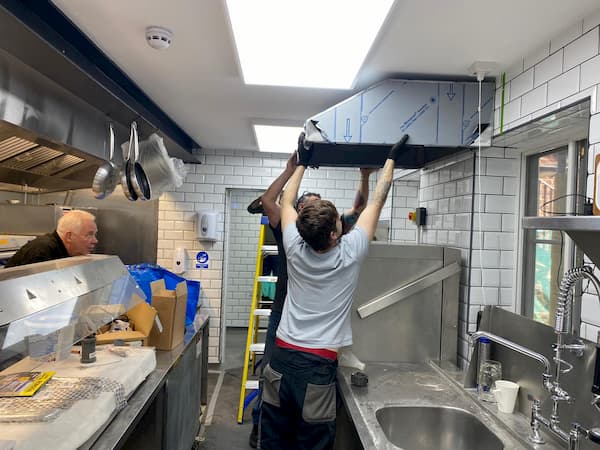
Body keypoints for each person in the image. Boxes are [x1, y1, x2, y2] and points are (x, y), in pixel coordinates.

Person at [259, 133, 408, 450]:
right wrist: (391, 159)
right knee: (312, 443)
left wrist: (303, 159)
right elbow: (377, 202)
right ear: (333, 234)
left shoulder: (294, 246)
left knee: (274, 441)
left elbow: (286, 201)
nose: (343, 222)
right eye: (339, 222)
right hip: (316, 367)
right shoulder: (350, 252)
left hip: (281, 359)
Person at [248, 151, 374, 448]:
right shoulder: (292, 231)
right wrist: (289, 171)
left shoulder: (326, 230)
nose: (315, 207)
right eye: (309, 204)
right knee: (275, 385)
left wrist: (364, 177)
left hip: (306, 335)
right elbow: (270, 201)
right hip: (285, 315)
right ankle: (260, 432)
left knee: (288, 392)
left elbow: (359, 207)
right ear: (301, 213)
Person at [5, 210, 98, 268]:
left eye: (94, 234)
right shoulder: (42, 250)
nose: (95, 241)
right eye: (89, 235)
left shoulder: (65, 251)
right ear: (69, 236)